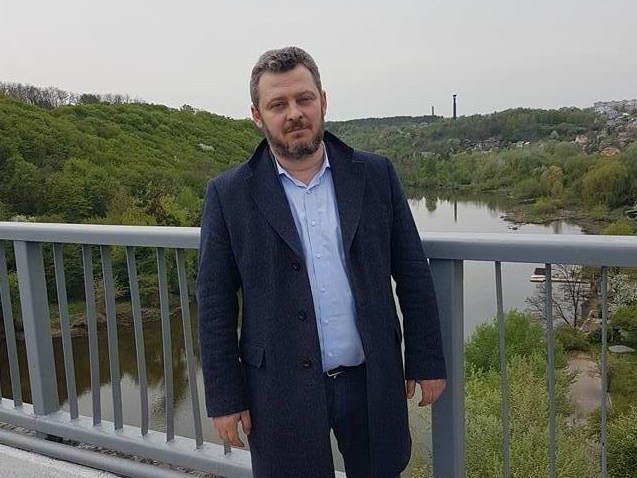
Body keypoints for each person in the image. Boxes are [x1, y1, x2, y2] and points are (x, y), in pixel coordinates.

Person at [197, 46, 446, 478]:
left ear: (323, 101)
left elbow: (412, 273)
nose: (294, 113)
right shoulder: (228, 195)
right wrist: (224, 396)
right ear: (257, 116)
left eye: (304, 99)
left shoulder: (375, 175)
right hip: (279, 390)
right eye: (278, 104)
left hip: (370, 379)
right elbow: (215, 301)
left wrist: (425, 359)